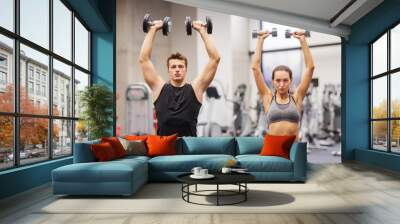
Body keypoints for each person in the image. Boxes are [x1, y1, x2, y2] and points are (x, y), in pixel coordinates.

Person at [138, 19, 220, 137]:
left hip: (189, 148)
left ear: (186, 69)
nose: (177, 69)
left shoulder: (195, 89)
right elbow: (143, 59)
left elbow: (215, 58)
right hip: (164, 148)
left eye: (181, 66)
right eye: (173, 67)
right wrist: (152, 29)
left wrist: (202, 30)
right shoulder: (159, 87)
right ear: (168, 70)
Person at [251, 30, 315, 139]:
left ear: (291, 81)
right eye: (278, 80)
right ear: (273, 81)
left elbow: (310, 68)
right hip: (273, 148)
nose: (281, 84)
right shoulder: (268, 98)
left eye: (285, 80)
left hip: (293, 149)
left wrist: (303, 41)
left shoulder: (297, 97)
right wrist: (260, 40)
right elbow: (255, 68)